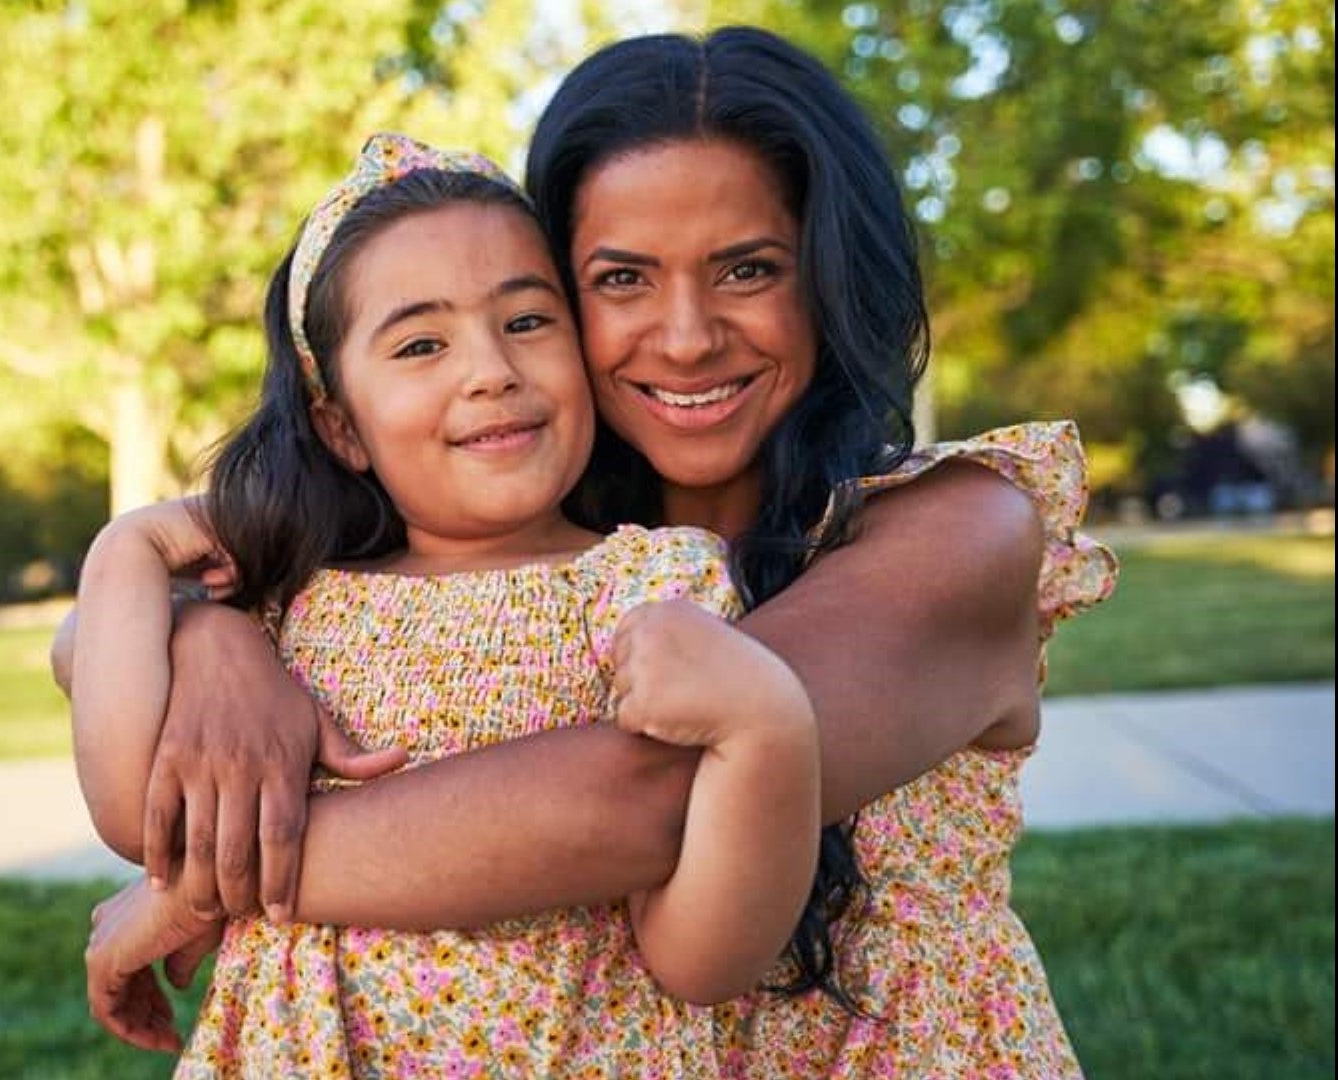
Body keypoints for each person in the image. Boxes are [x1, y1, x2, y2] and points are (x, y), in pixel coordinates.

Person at [59, 26, 1117, 1078]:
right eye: (621, 279)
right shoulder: (516, 527)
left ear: (833, 275)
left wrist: (206, 876)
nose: (688, 335)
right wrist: (216, 645)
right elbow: (92, 650)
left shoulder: (959, 524)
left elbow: (643, 798)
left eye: (748, 269)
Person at [70, 131, 828, 1075]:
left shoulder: (650, 590)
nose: (490, 370)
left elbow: (704, 961)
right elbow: (130, 811)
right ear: (341, 427)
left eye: (526, 322)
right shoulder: (297, 601)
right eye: (422, 344)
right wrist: (129, 548)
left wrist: (767, 731)